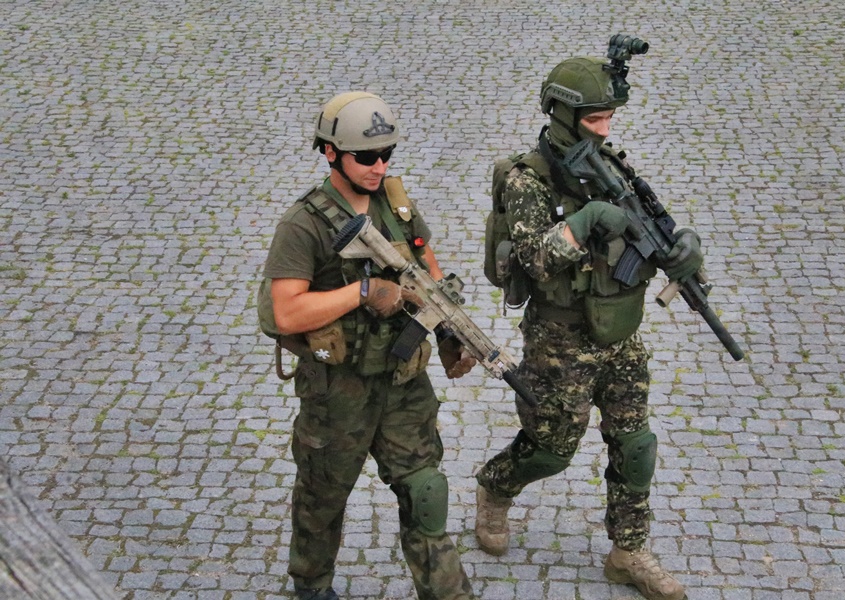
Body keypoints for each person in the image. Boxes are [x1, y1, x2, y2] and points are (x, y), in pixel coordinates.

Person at [474, 56, 704, 600]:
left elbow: (650, 226)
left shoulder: (612, 165)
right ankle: (496, 487)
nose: (605, 129)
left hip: (621, 331)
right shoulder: (528, 179)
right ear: (562, 114)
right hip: (560, 340)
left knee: (636, 444)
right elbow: (532, 259)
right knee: (550, 449)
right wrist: (584, 221)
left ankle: (628, 553)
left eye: (609, 118)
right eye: (595, 119)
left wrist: (684, 251)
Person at [259, 92, 476, 600]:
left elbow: (429, 274)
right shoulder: (303, 224)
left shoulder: (396, 207)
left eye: (387, 155)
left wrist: (448, 330)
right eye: (367, 157)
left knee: (426, 492)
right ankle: (312, 585)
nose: (380, 167)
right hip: (338, 390)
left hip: (403, 383)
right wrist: (362, 292)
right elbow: (284, 312)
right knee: (322, 497)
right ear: (331, 152)